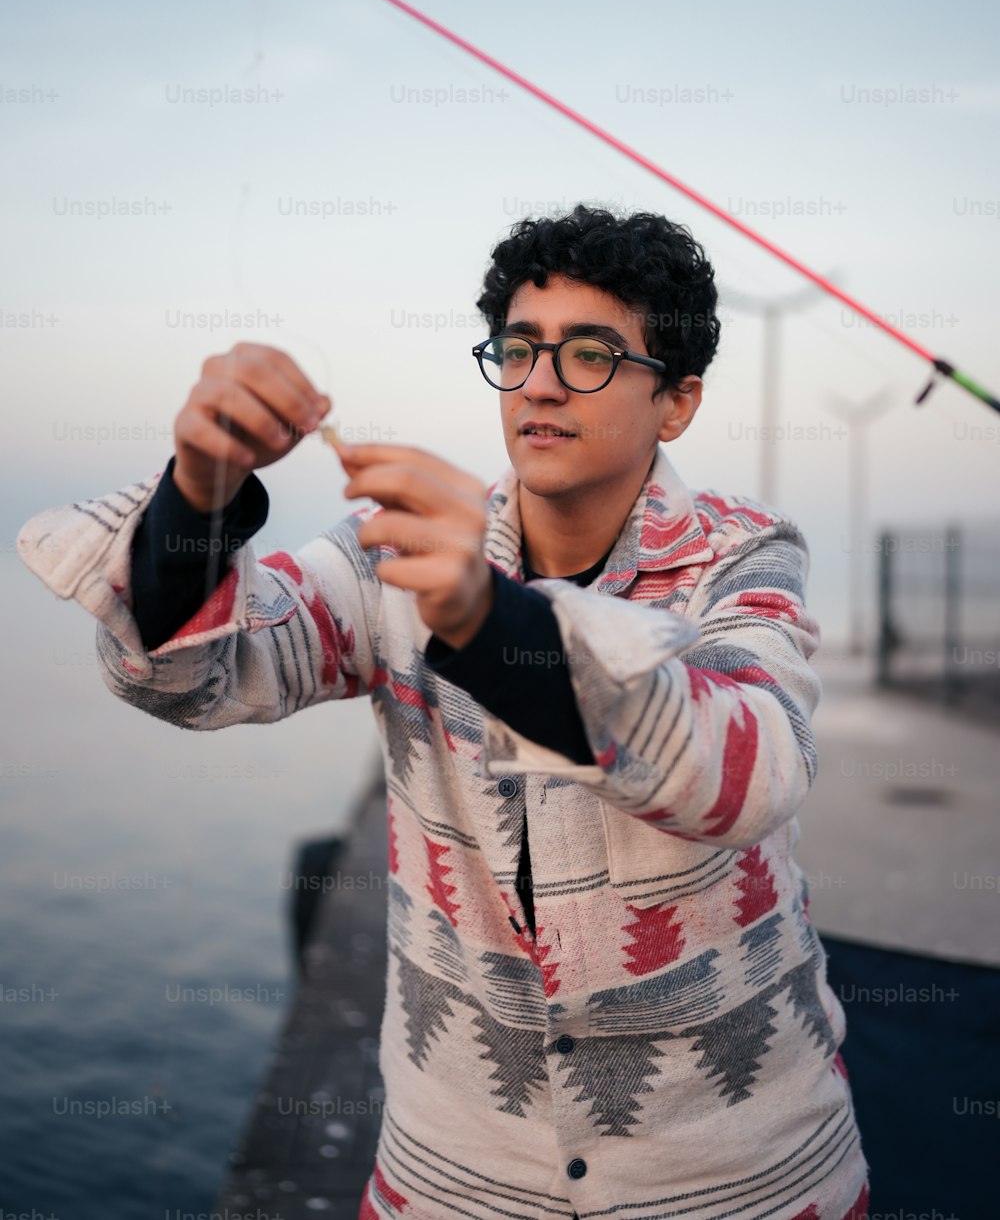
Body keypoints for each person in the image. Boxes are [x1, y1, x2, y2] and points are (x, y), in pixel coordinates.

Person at [18, 204, 870, 1219]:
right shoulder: (393, 557)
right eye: (519, 350)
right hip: (450, 1180)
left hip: (744, 1180)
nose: (541, 381)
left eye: (592, 354)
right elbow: (193, 674)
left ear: (677, 401)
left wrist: (484, 617)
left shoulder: (744, 555)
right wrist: (199, 489)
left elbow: (748, 773)